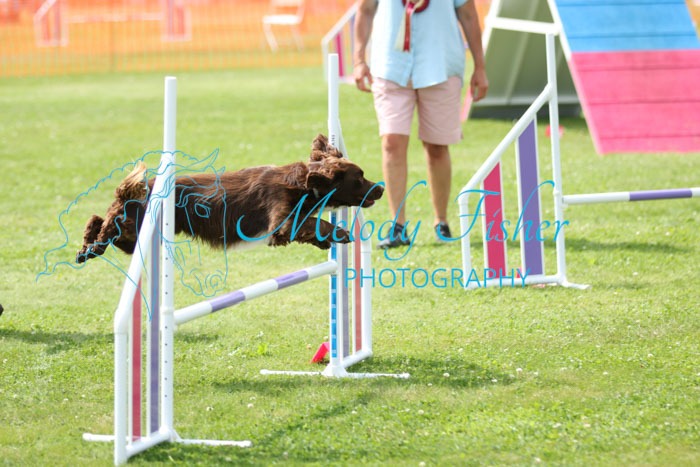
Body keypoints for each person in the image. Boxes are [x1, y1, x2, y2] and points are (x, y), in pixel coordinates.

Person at [353, 0, 489, 249]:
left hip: (441, 64)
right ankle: (398, 226)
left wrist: (480, 67)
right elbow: (365, 9)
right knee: (391, 142)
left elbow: (468, 15)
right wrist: (359, 60)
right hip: (390, 65)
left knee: (437, 147)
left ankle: (441, 222)